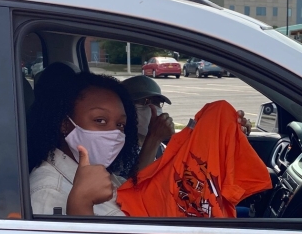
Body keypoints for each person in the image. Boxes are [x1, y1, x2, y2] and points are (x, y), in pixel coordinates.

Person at [27, 72, 140, 216]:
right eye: (100, 120)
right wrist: (82, 202)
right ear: (65, 124)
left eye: (120, 124)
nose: (114, 133)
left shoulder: (104, 175)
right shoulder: (49, 192)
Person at [121, 74, 252, 171]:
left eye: (157, 103)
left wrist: (230, 138)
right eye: (145, 102)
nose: (154, 108)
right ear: (124, 108)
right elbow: (134, 189)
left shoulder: (162, 148)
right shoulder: (118, 149)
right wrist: (154, 137)